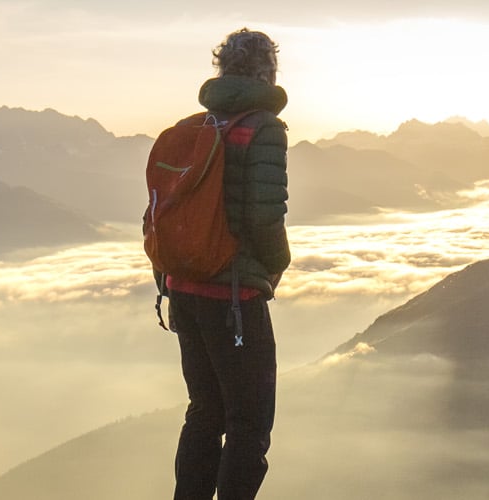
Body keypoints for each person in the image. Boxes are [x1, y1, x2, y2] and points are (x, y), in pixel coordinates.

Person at [163, 28, 291, 500]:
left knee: (205, 410)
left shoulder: (196, 127)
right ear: (267, 71)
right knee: (250, 420)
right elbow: (263, 214)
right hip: (233, 295)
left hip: (184, 288)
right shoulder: (263, 128)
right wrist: (278, 265)